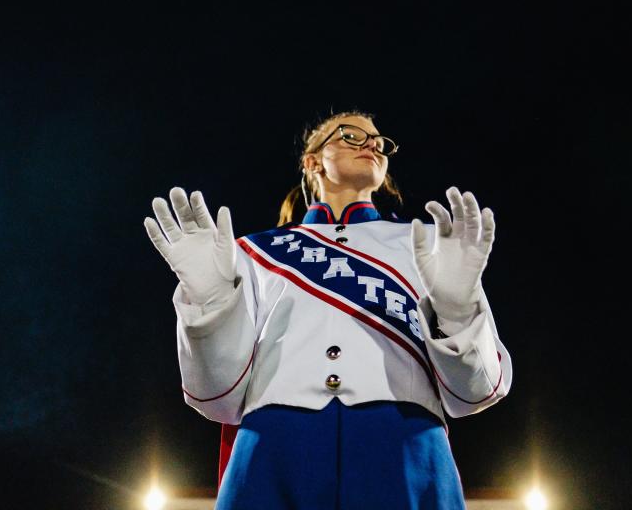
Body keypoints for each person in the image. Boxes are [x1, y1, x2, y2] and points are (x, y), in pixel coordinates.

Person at [144, 110, 512, 509]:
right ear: (312, 161)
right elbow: (216, 394)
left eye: (378, 141)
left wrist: (458, 310)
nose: (371, 144)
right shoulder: (254, 253)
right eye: (351, 136)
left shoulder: (426, 246)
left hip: (403, 448)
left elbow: (474, 393)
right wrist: (209, 300)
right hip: (274, 450)